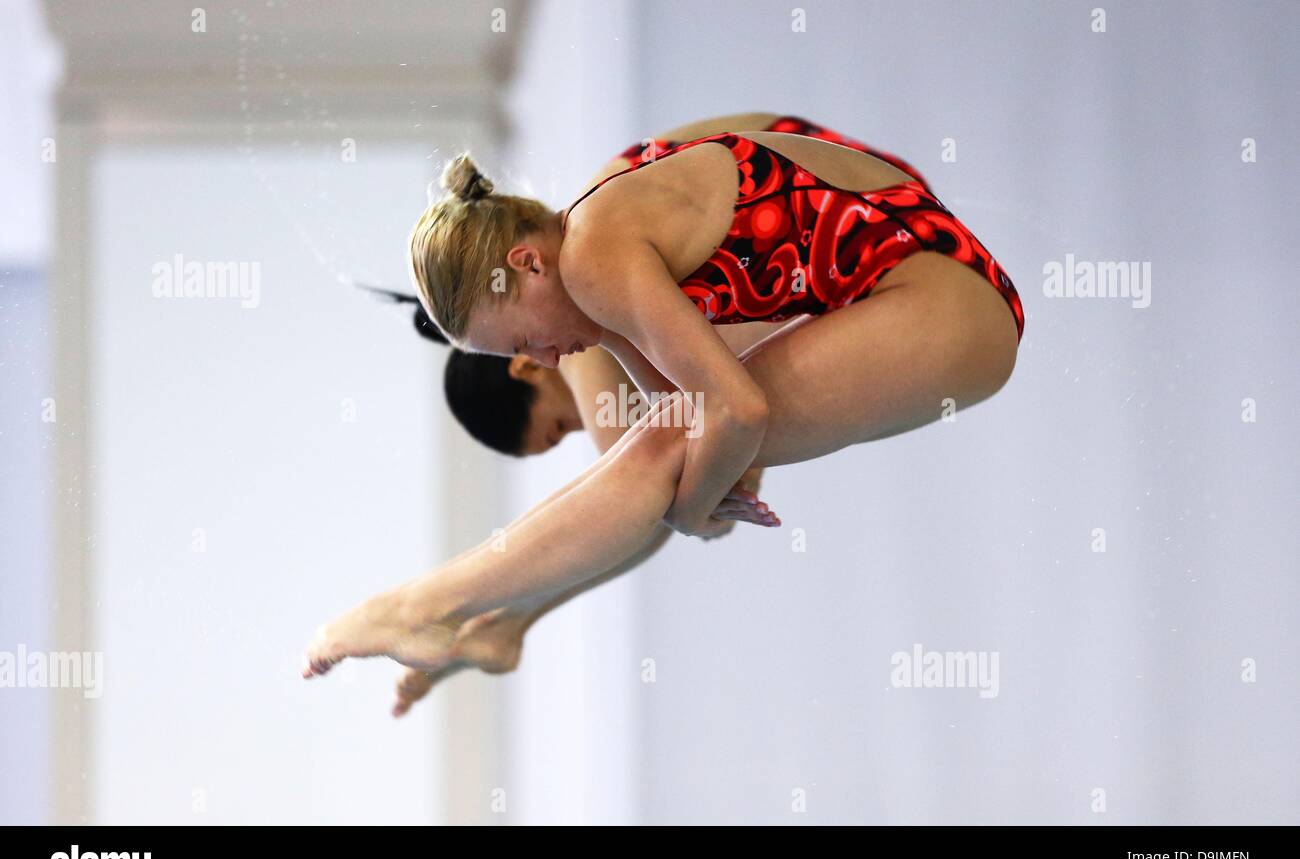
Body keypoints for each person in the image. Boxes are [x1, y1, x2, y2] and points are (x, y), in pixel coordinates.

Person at [303, 108, 1023, 688]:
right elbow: (683, 427)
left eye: (525, 341)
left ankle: (424, 605)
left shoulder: (592, 255)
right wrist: (708, 484)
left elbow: (731, 418)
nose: (543, 360)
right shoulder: (593, 270)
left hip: (939, 292)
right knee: (669, 447)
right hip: (922, 262)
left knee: (669, 452)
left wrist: (690, 504)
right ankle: (456, 612)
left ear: (526, 264)